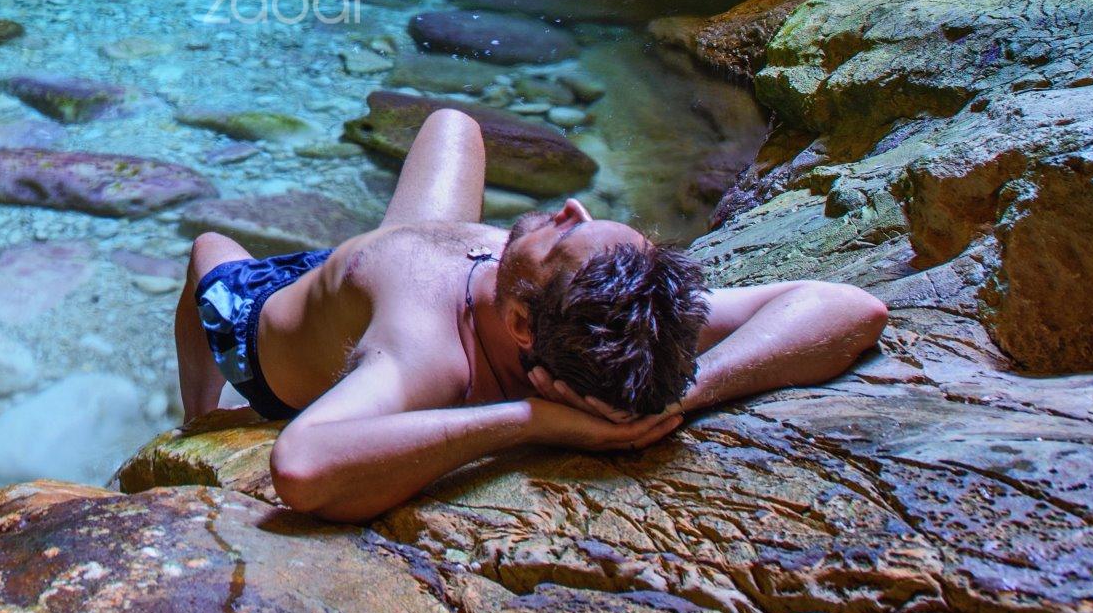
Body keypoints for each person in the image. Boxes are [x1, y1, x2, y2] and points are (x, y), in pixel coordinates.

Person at [173, 107, 888, 521]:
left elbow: (299, 465)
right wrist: (681, 394)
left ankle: (196, 412)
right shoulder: (622, 314)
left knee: (209, 247)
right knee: (453, 124)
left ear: (522, 325)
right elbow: (852, 306)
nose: (573, 206)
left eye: (566, 233)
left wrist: (531, 421)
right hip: (401, 258)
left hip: (270, 322)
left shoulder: (422, 357)